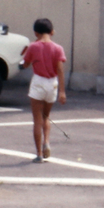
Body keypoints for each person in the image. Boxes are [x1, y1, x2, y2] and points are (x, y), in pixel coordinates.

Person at [22, 18, 67, 161]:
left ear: (36, 33)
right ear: (52, 31)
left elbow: (25, 65)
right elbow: (60, 69)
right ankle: (46, 142)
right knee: (46, 116)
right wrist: (62, 91)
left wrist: (24, 55)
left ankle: (39, 154)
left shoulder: (33, 47)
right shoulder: (58, 48)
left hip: (38, 82)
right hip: (52, 83)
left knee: (37, 120)